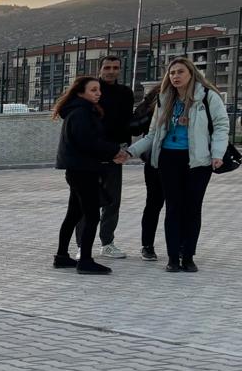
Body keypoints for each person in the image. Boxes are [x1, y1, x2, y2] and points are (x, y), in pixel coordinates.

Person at [127, 58, 229, 273]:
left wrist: (217, 154)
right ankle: (173, 257)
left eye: (180, 72)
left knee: (192, 209)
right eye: (171, 73)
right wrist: (130, 152)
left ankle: (188, 256)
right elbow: (153, 134)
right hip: (169, 159)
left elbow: (221, 126)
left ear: (191, 73)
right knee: (173, 208)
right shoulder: (165, 99)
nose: (175, 76)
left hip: (198, 162)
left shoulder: (208, 97)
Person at [51, 77, 128, 275]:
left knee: (74, 214)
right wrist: (114, 151)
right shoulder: (81, 113)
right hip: (83, 171)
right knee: (92, 215)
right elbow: (88, 142)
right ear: (80, 92)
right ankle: (85, 260)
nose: (98, 93)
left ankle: (61, 256)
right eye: (93, 90)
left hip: (79, 170)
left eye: (98, 89)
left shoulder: (82, 111)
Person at [93, 55, 134, 258]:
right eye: (107, 67)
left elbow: (126, 123)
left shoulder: (126, 93)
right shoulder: (92, 91)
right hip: (91, 155)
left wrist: (125, 150)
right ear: (100, 69)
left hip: (115, 155)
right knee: (86, 201)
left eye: (115, 67)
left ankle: (107, 243)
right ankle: (83, 245)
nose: (111, 71)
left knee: (112, 201)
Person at [132, 85, 164, 261]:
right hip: (155, 160)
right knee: (153, 203)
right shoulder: (154, 98)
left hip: (183, 160)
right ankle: (147, 245)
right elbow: (136, 127)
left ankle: (181, 245)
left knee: (180, 205)